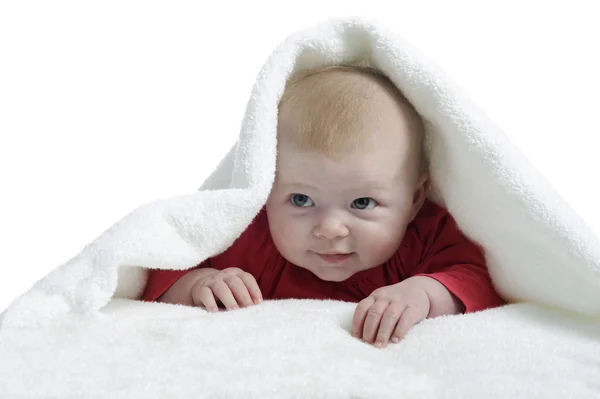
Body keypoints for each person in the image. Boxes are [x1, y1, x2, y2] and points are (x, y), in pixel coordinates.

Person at [142, 65, 505, 348]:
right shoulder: (251, 238)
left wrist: (426, 293)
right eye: (301, 199)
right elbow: (163, 264)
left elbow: (485, 277)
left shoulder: (427, 236)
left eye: (362, 202)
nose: (330, 228)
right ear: (265, 188)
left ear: (413, 199)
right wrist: (199, 284)